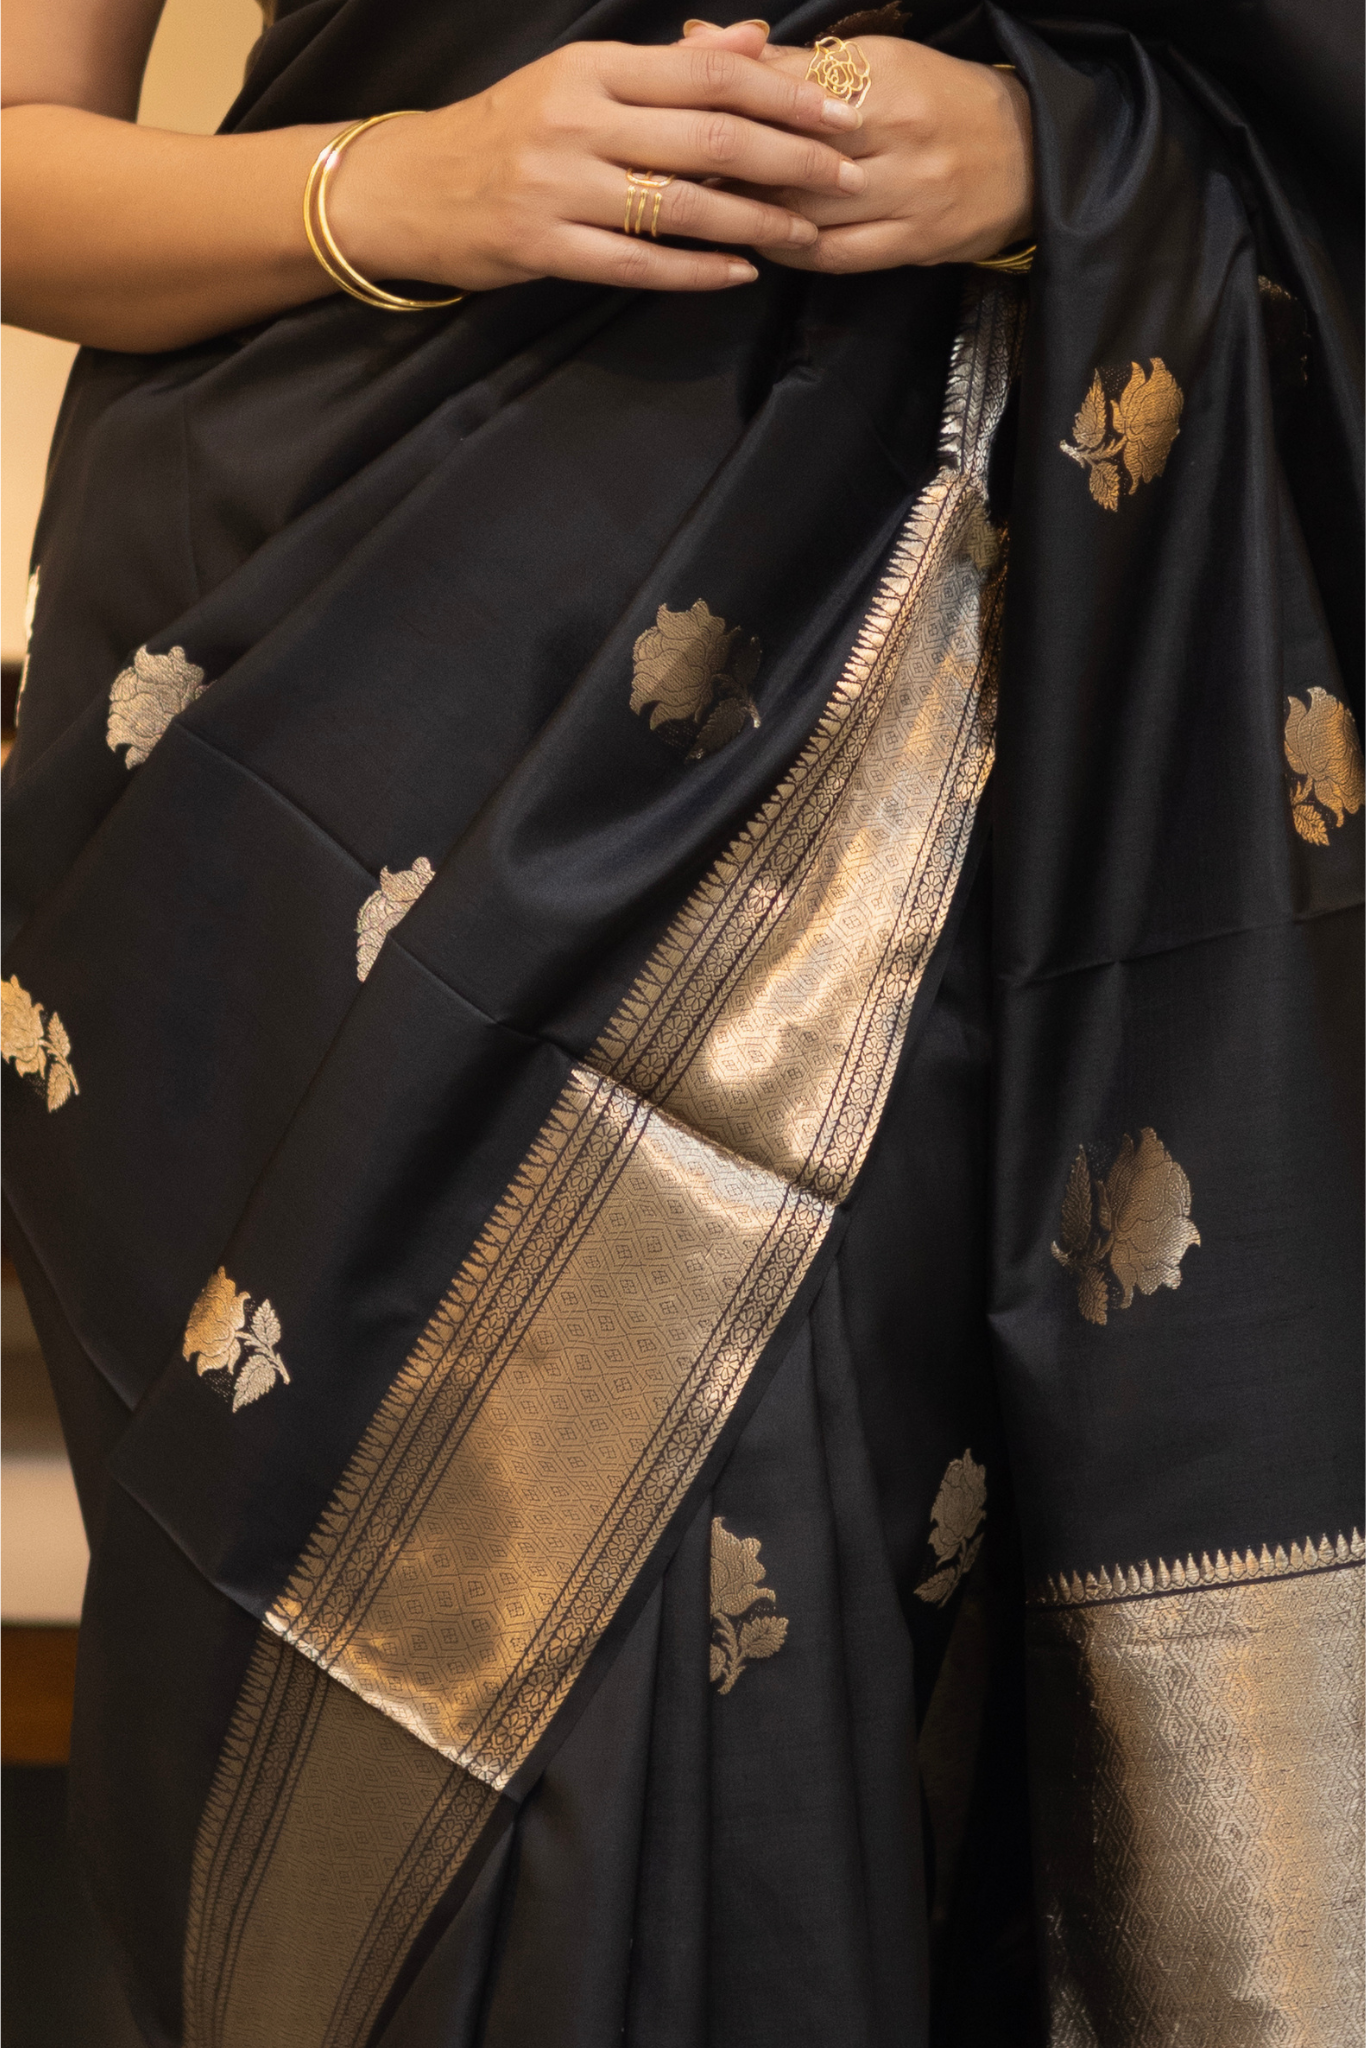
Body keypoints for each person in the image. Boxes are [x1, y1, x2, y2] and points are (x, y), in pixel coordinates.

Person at [2, 3, 1360, 2044]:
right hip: (333, 702)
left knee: (816, 1633)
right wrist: (395, 181)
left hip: (959, 726)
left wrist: (1054, 158)